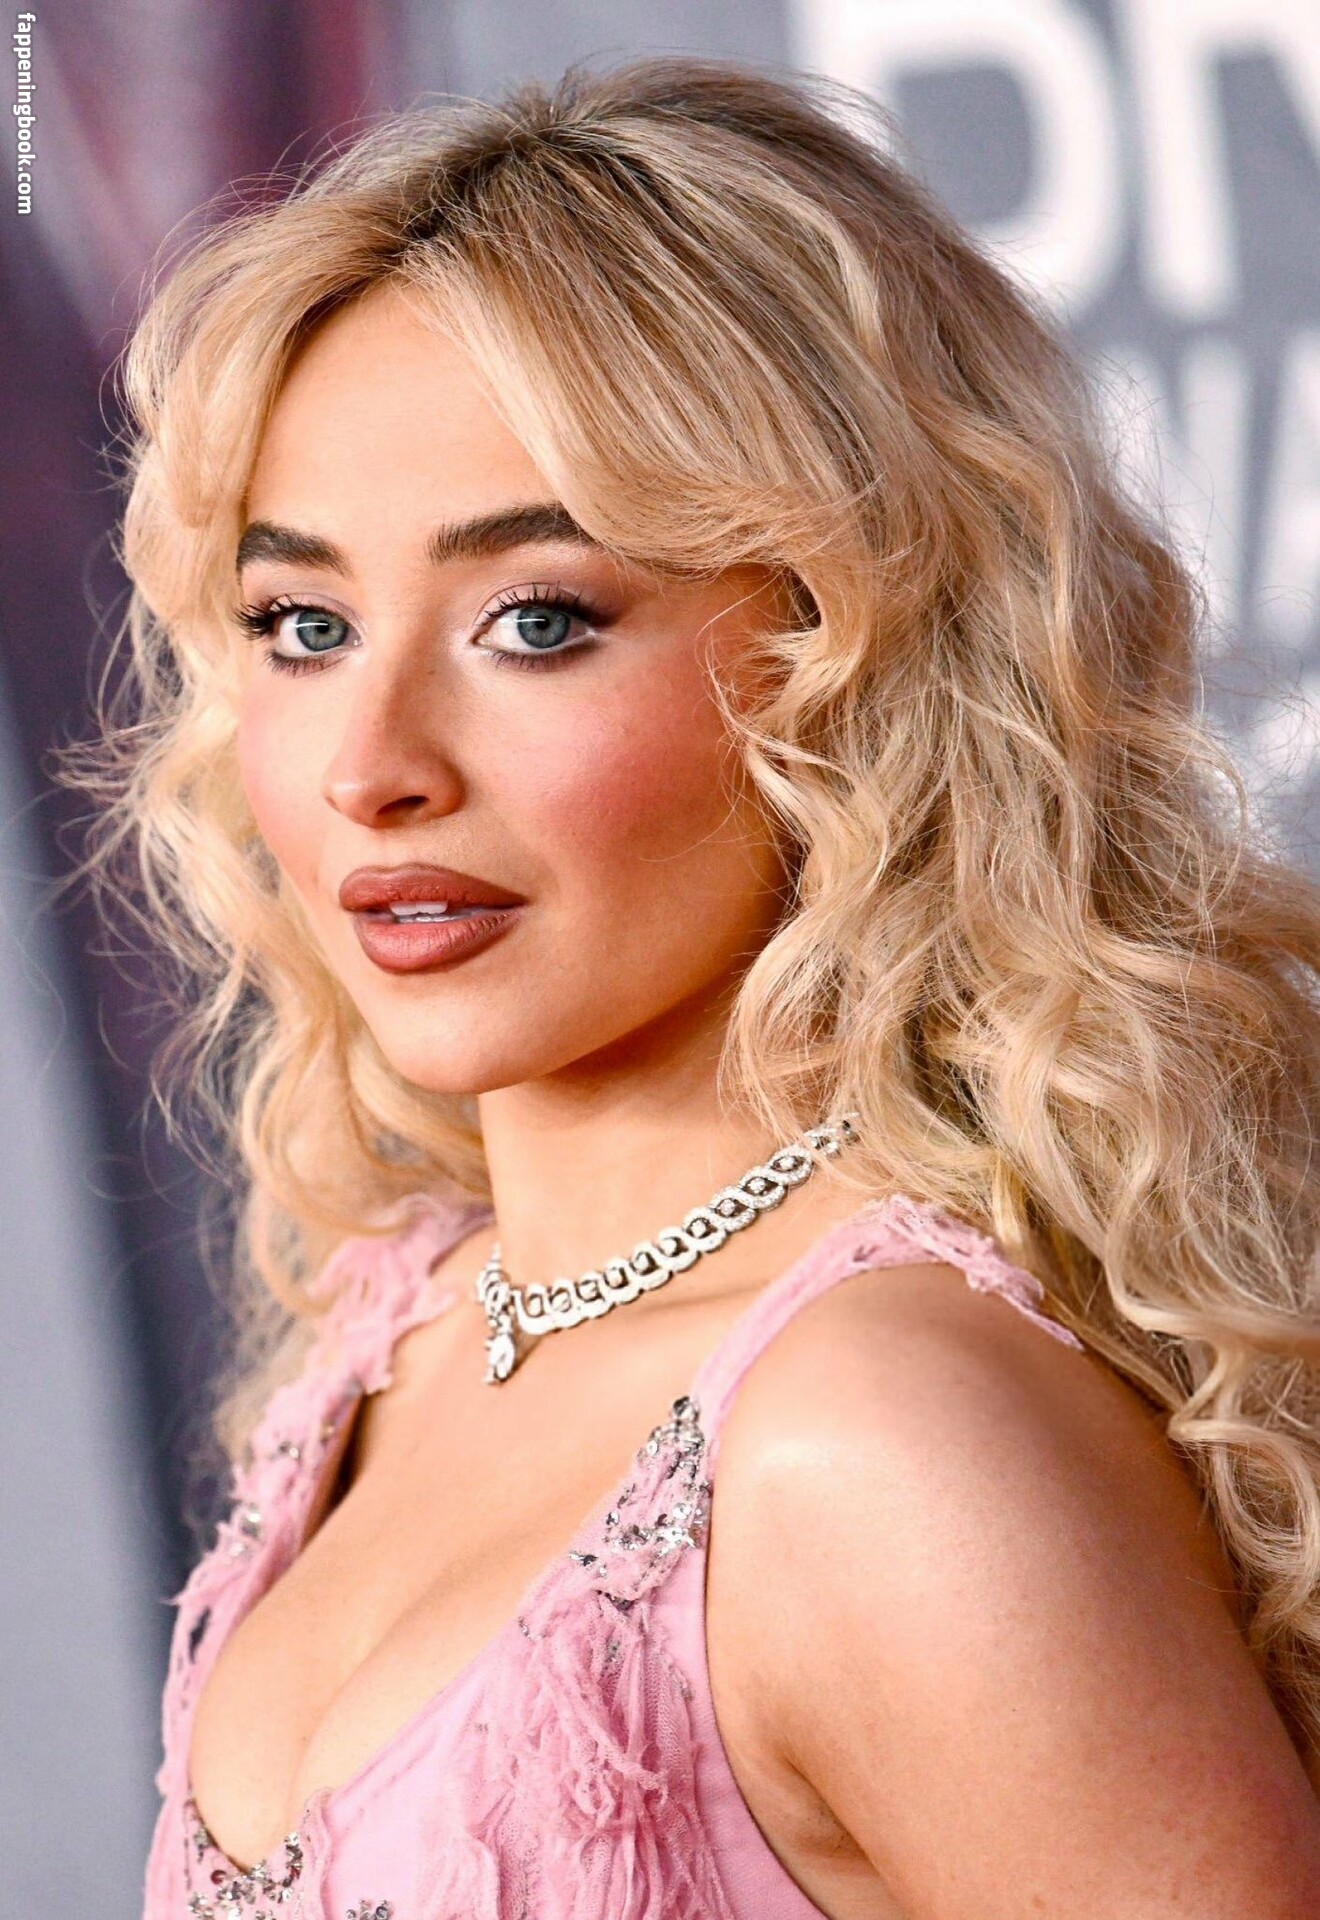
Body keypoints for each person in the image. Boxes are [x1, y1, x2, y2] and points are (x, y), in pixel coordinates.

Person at [88, 53, 1320, 1920]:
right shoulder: (395, 1332)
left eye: (537, 622)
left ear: (850, 657)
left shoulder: (880, 1446)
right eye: (303, 626)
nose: (372, 767)